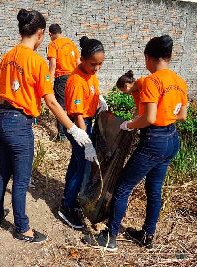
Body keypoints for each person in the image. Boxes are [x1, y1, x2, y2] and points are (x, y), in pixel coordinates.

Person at [0, 9, 96, 243]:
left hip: (1, 119)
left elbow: (0, 92)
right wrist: (72, 128)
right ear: (40, 34)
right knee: (20, 179)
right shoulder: (37, 62)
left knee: (3, 171)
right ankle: (23, 228)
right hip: (19, 124)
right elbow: (50, 100)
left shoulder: (7, 56)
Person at [84, 35, 188, 251]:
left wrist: (130, 125)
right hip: (171, 139)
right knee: (154, 189)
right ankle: (147, 236)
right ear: (169, 56)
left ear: (148, 58)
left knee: (122, 187)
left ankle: (110, 237)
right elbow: (182, 116)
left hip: (154, 140)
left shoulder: (152, 81)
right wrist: (165, 114)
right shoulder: (179, 82)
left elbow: (148, 118)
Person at [58, 36, 108, 229]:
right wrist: (85, 140)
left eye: (100, 64)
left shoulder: (90, 74)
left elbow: (93, 88)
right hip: (78, 125)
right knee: (83, 168)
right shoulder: (76, 80)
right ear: (83, 60)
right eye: (93, 64)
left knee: (76, 163)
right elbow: (78, 115)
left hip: (87, 120)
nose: (96, 68)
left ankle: (68, 197)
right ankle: (67, 206)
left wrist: (99, 99)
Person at [47, 23, 81, 141]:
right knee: (71, 105)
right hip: (73, 77)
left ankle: (62, 135)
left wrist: (48, 81)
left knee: (60, 106)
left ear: (50, 34)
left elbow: (53, 65)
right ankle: (72, 131)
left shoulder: (53, 44)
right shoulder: (71, 43)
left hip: (61, 78)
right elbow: (78, 63)